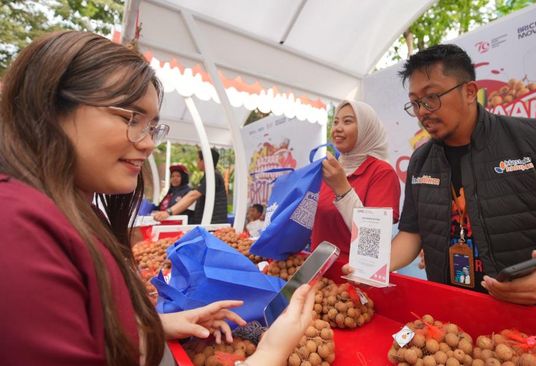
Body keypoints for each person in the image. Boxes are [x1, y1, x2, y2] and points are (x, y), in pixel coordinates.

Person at [0, 30, 315, 366]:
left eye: (152, 126)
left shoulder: (62, 209)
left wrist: (154, 327)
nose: (149, 143)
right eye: (130, 118)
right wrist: (268, 356)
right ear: (50, 107)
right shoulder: (16, 231)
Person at [376, 44, 536, 317]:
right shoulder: (421, 161)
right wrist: (374, 265)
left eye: (432, 97)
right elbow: (412, 232)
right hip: (456, 322)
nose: (423, 111)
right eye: (416, 103)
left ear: (469, 92)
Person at [311, 99, 401, 256]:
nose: (338, 128)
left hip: (353, 276)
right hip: (318, 272)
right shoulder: (330, 168)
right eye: (336, 122)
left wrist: (342, 189)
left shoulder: (382, 172)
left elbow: (373, 241)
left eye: (347, 122)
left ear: (367, 129)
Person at [154, 148, 228, 224]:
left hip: (212, 224)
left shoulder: (213, 175)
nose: (197, 162)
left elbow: (193, 195)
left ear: (204, 161)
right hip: (206, 222)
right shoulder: (210, 175)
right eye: (172, 176)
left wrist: (168, 212)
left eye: (198, 159)